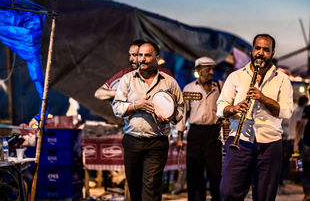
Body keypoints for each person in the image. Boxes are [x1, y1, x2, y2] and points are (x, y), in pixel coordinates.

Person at [217, 34, 293, 201]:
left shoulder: (283, 80)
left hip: (270, 143)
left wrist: (263, 98)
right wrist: (233, 108)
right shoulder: (235, 76)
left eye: (266, 50)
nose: (261, 53)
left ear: (272, 53)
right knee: (227, 192)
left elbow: (287, 112)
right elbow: (220, 107)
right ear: (252, 50)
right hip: (240, 140)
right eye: (258, 48)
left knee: (264, 196)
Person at [112, 41, 184, 201]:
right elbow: (117, 108)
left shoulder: (169, 82)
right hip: (132, 140)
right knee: (134, 188)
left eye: (147, 55)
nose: (142, 59)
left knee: (150, 186)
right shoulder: (127, 79)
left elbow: (180, 109)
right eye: (140, 55)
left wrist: (169, 118)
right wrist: (136, 106)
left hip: (156, 142)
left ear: (157, 57)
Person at [183, 56, 222, 201]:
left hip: (213, 133)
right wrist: (180, 137)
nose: (212, 72)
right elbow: (183, 114)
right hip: (195, 133)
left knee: (215, 172)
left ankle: (216, 198)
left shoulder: (220, 86)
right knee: (195, 173)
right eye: (208, 69)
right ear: (198, 70)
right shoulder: (189, 88)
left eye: (213, 69)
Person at [294, 92, 310, 201]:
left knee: (305, 168)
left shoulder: (308, 109)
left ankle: (308, 193)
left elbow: (301, 125)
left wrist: (296, 142)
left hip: (307, 144)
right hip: (307, 144)